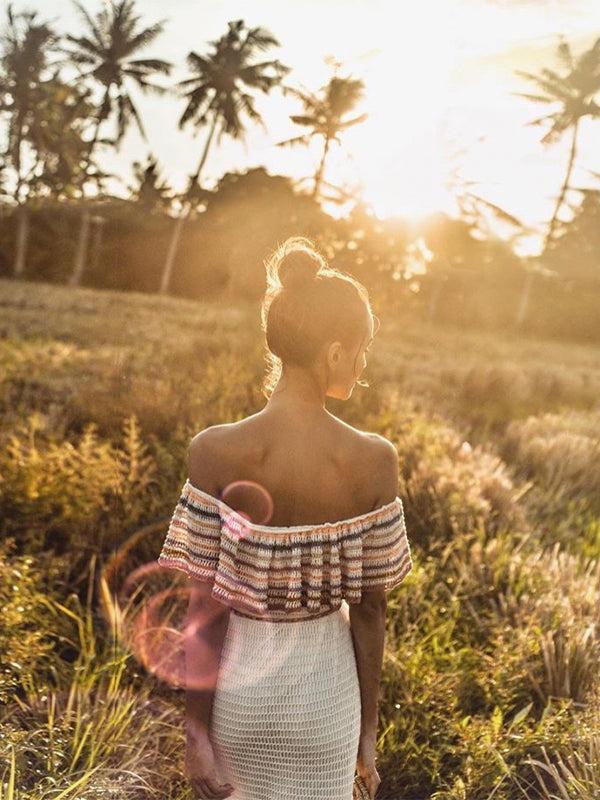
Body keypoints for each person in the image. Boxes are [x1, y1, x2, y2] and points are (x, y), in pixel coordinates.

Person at [157, 235, 413, 800]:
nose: (363, 361)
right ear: (333, 354)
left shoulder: (214, 450)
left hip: (242, 694)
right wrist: (367, 733)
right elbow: (370, 612)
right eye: (361, 347)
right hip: (326, 701)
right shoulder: (373, 460)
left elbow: (204, 606)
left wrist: (195, 730)